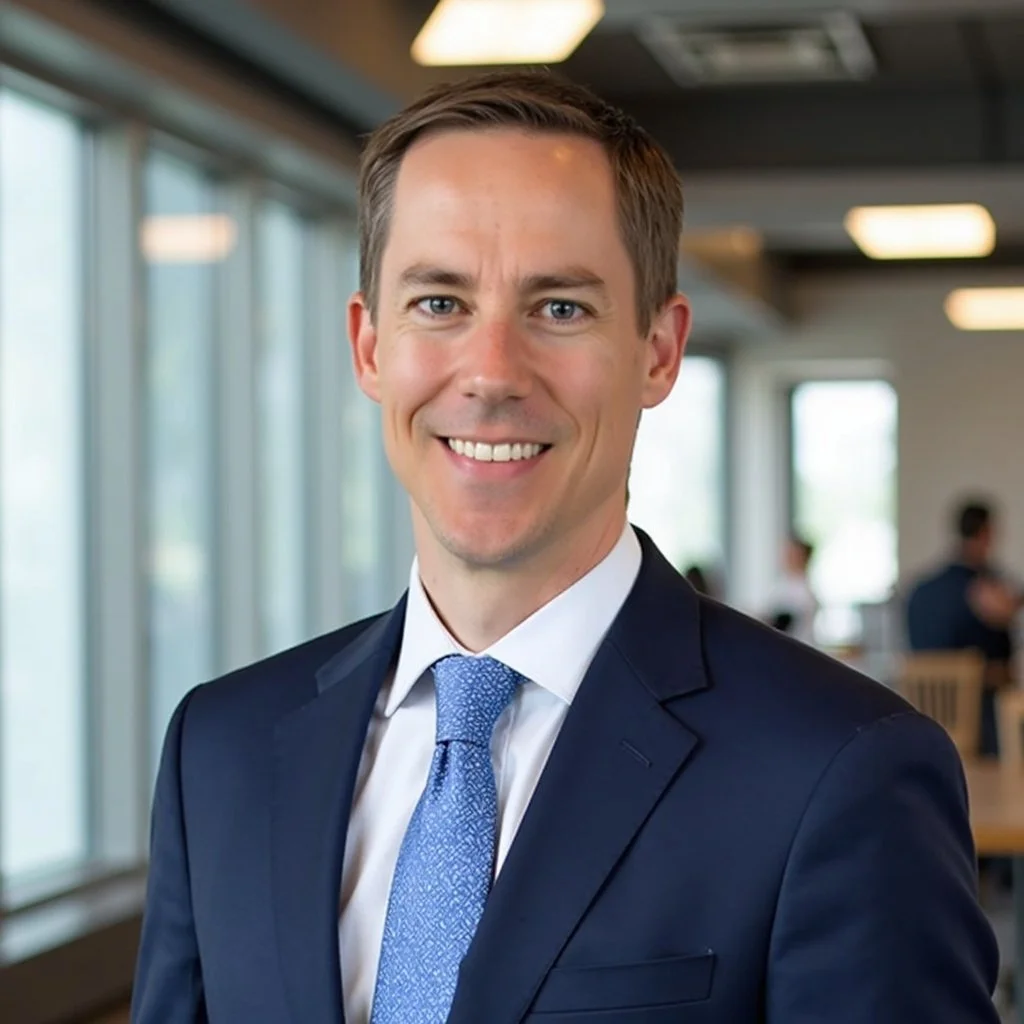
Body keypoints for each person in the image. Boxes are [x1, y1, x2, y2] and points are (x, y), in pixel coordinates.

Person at [132, 70, 998, 1023]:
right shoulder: (222, 751)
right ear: (368, 347)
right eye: (438, 303)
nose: (492, 372)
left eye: (560, 309)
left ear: (659, 352)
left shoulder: (838, 770)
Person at [907, 498, 1023, 755]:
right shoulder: (983, 589)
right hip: (980, 725)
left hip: (925, 721)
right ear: (986, 533)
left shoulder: (919, 590)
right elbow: (1006, 610)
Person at [764, 534, 818, 645]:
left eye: (792, 554)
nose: (786, 558)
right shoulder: (782, 585)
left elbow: (783, 622)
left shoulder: (804, 592)